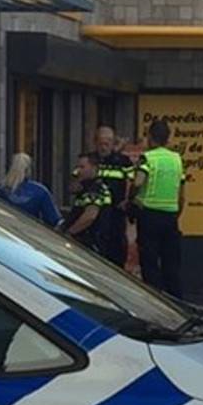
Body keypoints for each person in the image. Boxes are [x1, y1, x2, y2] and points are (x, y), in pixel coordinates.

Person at [132, 119, 185, 298]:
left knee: (150, 265)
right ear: (167, 138)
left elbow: (138, 182)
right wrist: (176, 212)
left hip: (149, 216)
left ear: (150, 137)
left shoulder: (148, 158)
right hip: (171, 217)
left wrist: (131, 198)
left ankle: (155, 301)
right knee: (172, 265)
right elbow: (182, 194)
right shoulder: (176, 159)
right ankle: (177, 302)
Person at [86, 126, 135, 267]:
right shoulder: (89, 160)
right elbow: (76, 182)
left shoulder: (123, 161)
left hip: (115, 214)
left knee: (117, 255)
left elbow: (132, 182)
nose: (104, 147)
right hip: (94, 214)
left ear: (113, 143)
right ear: (95, 142)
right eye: (101, 143)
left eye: (107, 143)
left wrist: (127, 200)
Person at [0, 152, 62, 228]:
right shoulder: (40, 191)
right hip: (29, 232)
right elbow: (53, 220)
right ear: (29, 170)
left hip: (1, 231)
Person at [63, 153, 112, 255]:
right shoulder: (86, 187)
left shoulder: (95, 188)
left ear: (94, 168)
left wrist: (69, 233)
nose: (78, 170)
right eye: (77, 167)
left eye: (82, 167)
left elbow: (90, 216)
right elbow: (71, 189)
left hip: (89, 242)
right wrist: (75, 179)